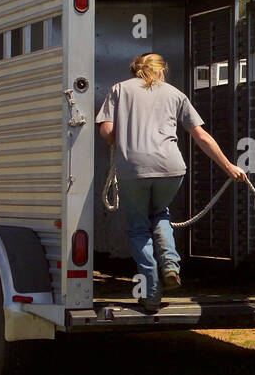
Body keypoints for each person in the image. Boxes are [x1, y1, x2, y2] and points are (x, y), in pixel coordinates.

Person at [96, 53, 245, 312]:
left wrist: (123, 139)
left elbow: (106, 131)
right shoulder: (176, 94)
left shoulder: (119, 89)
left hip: (134, 169)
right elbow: (200, 135)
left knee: (139, 227)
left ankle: (152, 294)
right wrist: (228, 166)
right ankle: (171, 266)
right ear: (161, 70)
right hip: (171, 168)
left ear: (137, 70)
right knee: (160, 214)